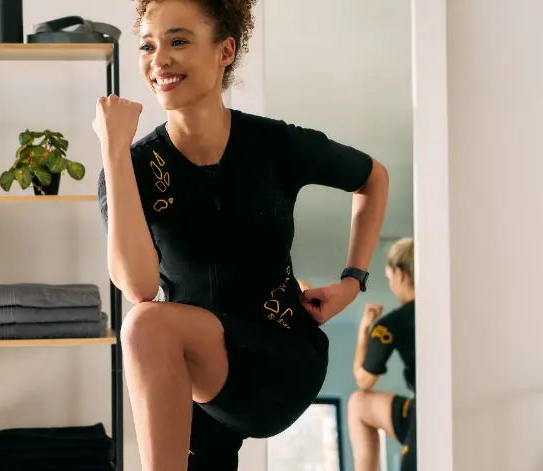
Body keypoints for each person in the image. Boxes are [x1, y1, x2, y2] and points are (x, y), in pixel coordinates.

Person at [93, 0, 390, 469]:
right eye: (148, 45)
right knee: (148, 322)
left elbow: (373, 178)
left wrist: (353, 281)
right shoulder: (131, 167)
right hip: (200, 377)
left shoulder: (276, 145)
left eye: (179, 40)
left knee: (145, 325)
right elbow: (139, 286)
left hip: (280, 357)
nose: (159, 59)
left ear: (225, 51)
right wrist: (114, 152)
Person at [348, 237, 416, 471]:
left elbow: (363, 380)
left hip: (426, 416)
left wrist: (364, 330)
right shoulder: (456, 310)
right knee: (360, 404)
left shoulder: (391, 325)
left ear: (399, 273)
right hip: (459, 408)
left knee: (357, 402)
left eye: (389, 278)